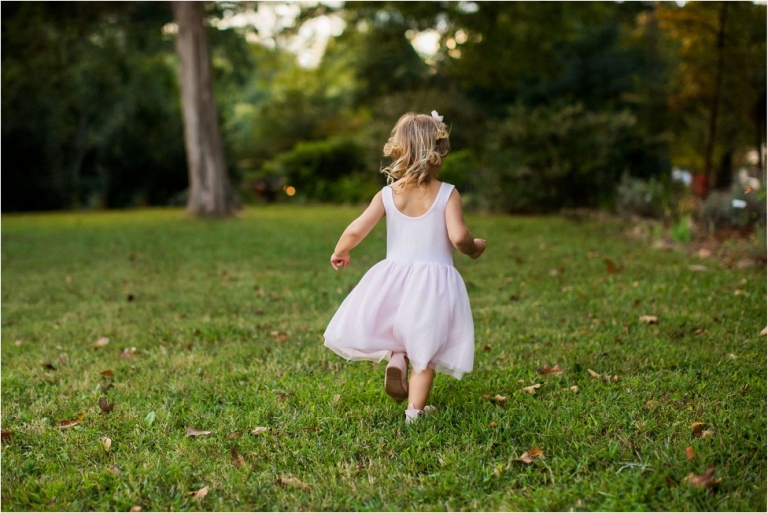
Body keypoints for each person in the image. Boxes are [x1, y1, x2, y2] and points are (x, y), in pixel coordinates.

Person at [323, 111, 486, 424]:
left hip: (394, 275)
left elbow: (358, 228)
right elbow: (459, 238)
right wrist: (475, 247)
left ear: (399, 151)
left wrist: (341, 249)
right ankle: (415, 412)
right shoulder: (448, 193)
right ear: (438, 155)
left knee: (399, 329)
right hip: (434, 283)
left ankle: (397, 359)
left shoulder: (388, 194)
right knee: (425, 351)